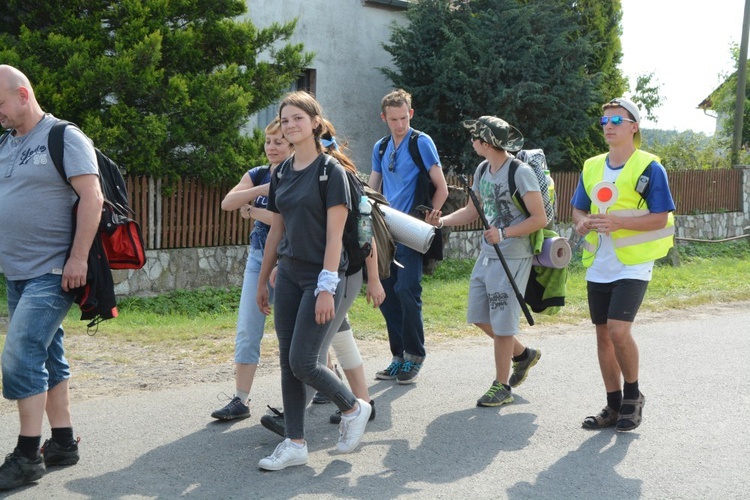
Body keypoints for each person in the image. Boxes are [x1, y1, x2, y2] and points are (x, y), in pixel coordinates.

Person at [255, 91, 372, 471]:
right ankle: (294, 443)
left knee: (304, 361)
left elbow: (335, 237)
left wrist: (326, 287)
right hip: (287, 273)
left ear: (315, 124)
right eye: (284, 120)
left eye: (297, 119)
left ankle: (354, 407)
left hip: (320, 276)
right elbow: (277, 229)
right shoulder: (283, 172)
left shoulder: (330, 172)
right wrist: (262, 280)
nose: (289, 125)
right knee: (288, 362)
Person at [0, 65, 103, 491]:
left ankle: (27, 455)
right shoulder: (6, 144)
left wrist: (78, 258)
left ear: (23, 94)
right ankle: (62, 443)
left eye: (0, 104)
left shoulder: (64, 136)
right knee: (45, 355)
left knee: (21, 352)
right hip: (18, 272)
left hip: (55, 270)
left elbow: (92, 197)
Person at [425, 116, 546, 407]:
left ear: (486, 142)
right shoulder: (482, 169)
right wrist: (442, 221)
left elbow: (540, 218)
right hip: (488, 254)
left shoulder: (520, 172)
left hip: (513, 255)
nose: (471, 142)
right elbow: (472, 211)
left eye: (475, 137)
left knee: (503, 322)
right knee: (479, 315)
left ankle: (501, 386)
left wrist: (504, 232)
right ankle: (523, 354)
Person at [572, 97, 675, 432]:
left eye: (617, 120)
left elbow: (660, 218)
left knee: (619, 330)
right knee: (603, 335)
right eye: (604, 121)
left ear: (634, 127)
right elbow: (578, 210)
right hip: (598, 262)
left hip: (634, 262)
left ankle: (633, 396)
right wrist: (581, 222)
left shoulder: (649, 167)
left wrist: (620, 224)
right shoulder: (590, 166)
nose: (609, 127)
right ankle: (613, 405)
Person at [209, 118, 292, 420]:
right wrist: (263, 187)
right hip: (258, 257)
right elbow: (228, 203)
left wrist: (254, 210)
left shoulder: (299, 174)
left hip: (290, 259)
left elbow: (287, 221)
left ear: (292, 144)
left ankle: (324, 382)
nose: (271, 147)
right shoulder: (258, 173)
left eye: (278, 142)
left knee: (296, 333)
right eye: (268, 141)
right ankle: (240, 400)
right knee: (247, 328)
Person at [368, 89, 448, 384]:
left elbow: (442, 187)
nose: (399, 124)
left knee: (406, 290)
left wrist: (433, 215)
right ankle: (398, 356)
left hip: (411, 229)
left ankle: (415, 355)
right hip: (385, 231)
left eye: (403, 118)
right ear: (384, 118)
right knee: (385, 293)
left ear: (410, 114)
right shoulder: (380, 147)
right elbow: (373, 190)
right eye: (393, 119)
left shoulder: (421, 142)